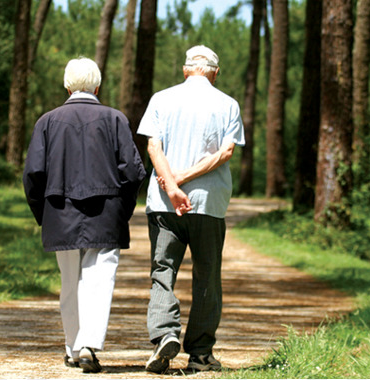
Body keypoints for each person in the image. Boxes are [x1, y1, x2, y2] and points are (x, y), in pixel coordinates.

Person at [22, 57, 146, 374]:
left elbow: (33, 175)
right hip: (106, 212)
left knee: (69, 283)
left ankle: (73, 347)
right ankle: (90, 344)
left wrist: (44, 214)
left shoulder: (46, 122)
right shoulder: (115, 119)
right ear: (98, 86)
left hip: (59, 211)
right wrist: (123, 209)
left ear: (66, 86)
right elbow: (133, 172)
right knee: (99, 278)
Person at [137, 45, 245, 374]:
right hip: (208, 204)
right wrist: (185, 178)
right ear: (215, 74)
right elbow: (226, 153)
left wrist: (171, 183)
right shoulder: (228, 104)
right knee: (207, 277)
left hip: (164, 204)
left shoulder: (161, 98)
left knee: (163, 272)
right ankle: (200, 354)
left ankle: (165, 335)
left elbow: (152, 146)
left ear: (185, 70)